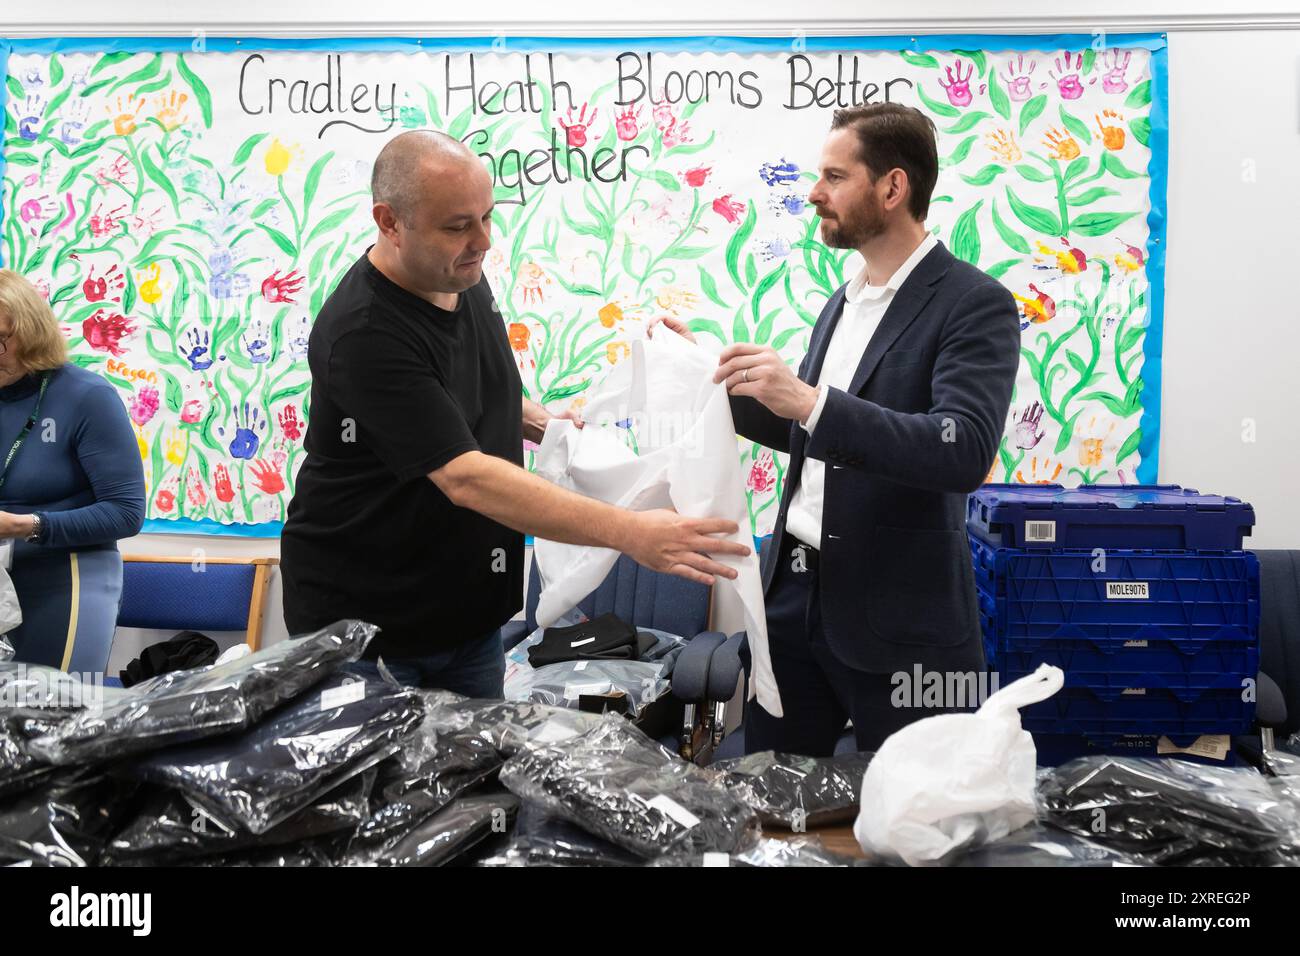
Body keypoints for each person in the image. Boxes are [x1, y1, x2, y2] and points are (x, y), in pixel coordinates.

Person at [281, 130, 749, 697]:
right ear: (390, 221)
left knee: (477, 779)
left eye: (487, 217)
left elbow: (458, 399)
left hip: (469, 619)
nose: (483, 241)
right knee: (388, 785)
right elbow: (464, 476)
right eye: (457, 226)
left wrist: (543, 424)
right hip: (369, 635)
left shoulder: (459, 277)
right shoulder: (364, 333)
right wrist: (629, 532)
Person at [652, 104, 1020, 755]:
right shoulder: (843, 299)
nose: (814, 193)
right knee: (777, 795)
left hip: (899, 619)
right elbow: (812, 430)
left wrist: (809, 400)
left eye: (833, 175)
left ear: (892, 188)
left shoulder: (974, 302)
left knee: (916, 817)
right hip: (793, 596)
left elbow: (960, 448)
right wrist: (702, 375)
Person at [0, 269, 145, 673]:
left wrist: (24, 525)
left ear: (31, 334)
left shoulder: (87, 396)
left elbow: (126, 512)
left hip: (69, 575)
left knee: (57, 714)